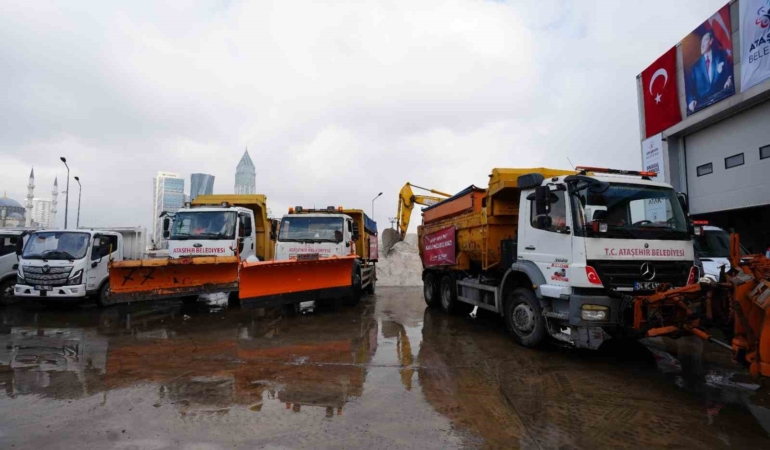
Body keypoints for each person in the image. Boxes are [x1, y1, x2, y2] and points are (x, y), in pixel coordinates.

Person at [687, 30, 733, 113]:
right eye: (701, 42)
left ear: (711, 41)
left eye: (705, 40)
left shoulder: (721, 55)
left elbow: (729, 72)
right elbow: (690, 89)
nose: (702, 45)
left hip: (722, 100)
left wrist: (729, 80)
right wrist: (691, 100)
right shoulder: (695, 67)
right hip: (702, 105)